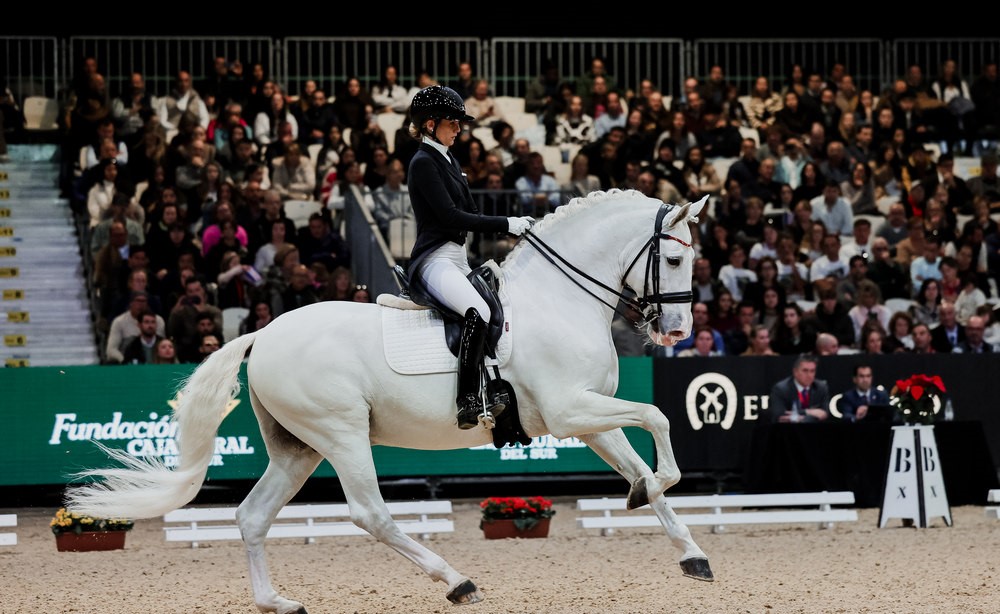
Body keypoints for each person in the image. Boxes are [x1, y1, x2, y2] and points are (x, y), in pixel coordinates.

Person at [404, 85, 533, 430]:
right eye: (453, 122)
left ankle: (497, 386)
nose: (459, 128)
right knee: (478, 310)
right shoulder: (423, 162)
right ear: (430, 125)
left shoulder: (449, 159)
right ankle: (467, 400)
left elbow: (470, 212)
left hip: (459, 257)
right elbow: (450, 217)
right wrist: (507, 223)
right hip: (435, 259)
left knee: (500, 306)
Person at [765, 354, 830, 423]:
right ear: (795, 372)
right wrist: (807, 412)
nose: (809, 375)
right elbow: (780, 416)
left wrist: (798, 417)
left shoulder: (821, 387)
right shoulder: (781, 389)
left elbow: (824, 414)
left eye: (812, 371)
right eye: (805, 371)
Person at [105, 292, 166, 364]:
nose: (141, 304)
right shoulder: (119, 322)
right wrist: (125, 361)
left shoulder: (158, 320)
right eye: (138, 301)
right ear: (131, 303)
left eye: (144, 301)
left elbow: (162, 344)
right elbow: (111, 350)